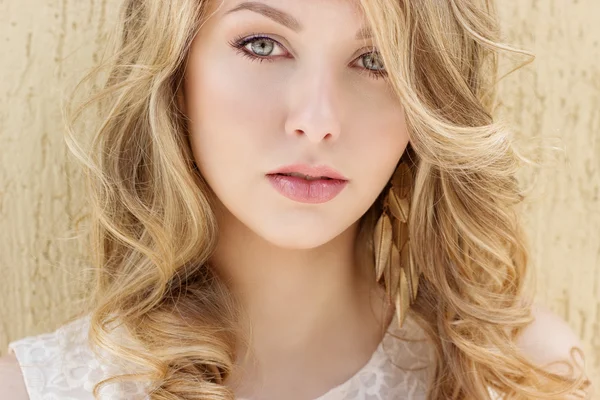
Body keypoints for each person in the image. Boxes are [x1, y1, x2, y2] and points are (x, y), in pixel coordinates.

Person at [0, 0, 594, 399]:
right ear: (177, 73)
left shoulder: (521, 374)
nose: (317, 120)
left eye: (376, 59)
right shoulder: (36, 389)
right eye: (262, 45)